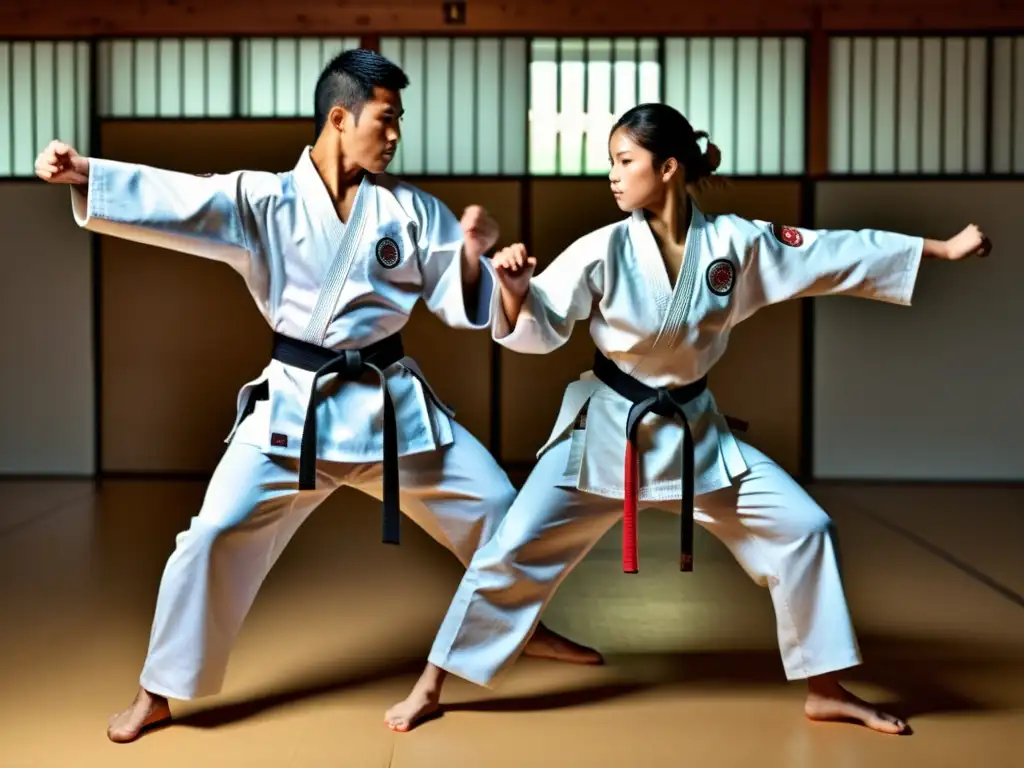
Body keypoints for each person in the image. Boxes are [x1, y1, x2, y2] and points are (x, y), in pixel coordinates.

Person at [35, 48, 600, 744]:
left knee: (500, 510)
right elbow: (180, 199)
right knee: (211, 536)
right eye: (385, 120)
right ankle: (158, 692)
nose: (395, 136)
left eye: (400, 122)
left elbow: (464, 299)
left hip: (393, 412)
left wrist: (479, 260)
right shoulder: (263, 199)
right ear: (340, 117)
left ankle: (524, 628)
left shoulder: (412, 210)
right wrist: (85, 172)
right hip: (295, 412)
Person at [383, 102, 992, 734]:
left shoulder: (734, 244)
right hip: (604, 437)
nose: (613, 178)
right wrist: (512, 290)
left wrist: (939, 249)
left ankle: (827, 688)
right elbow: (540, 325)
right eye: (611, 164)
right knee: (508, 551)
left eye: (625, 162)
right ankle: (431, 686)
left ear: (668, 167)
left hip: (695, 437)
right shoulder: (604, 248)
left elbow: (830, 253)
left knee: (805, 527)